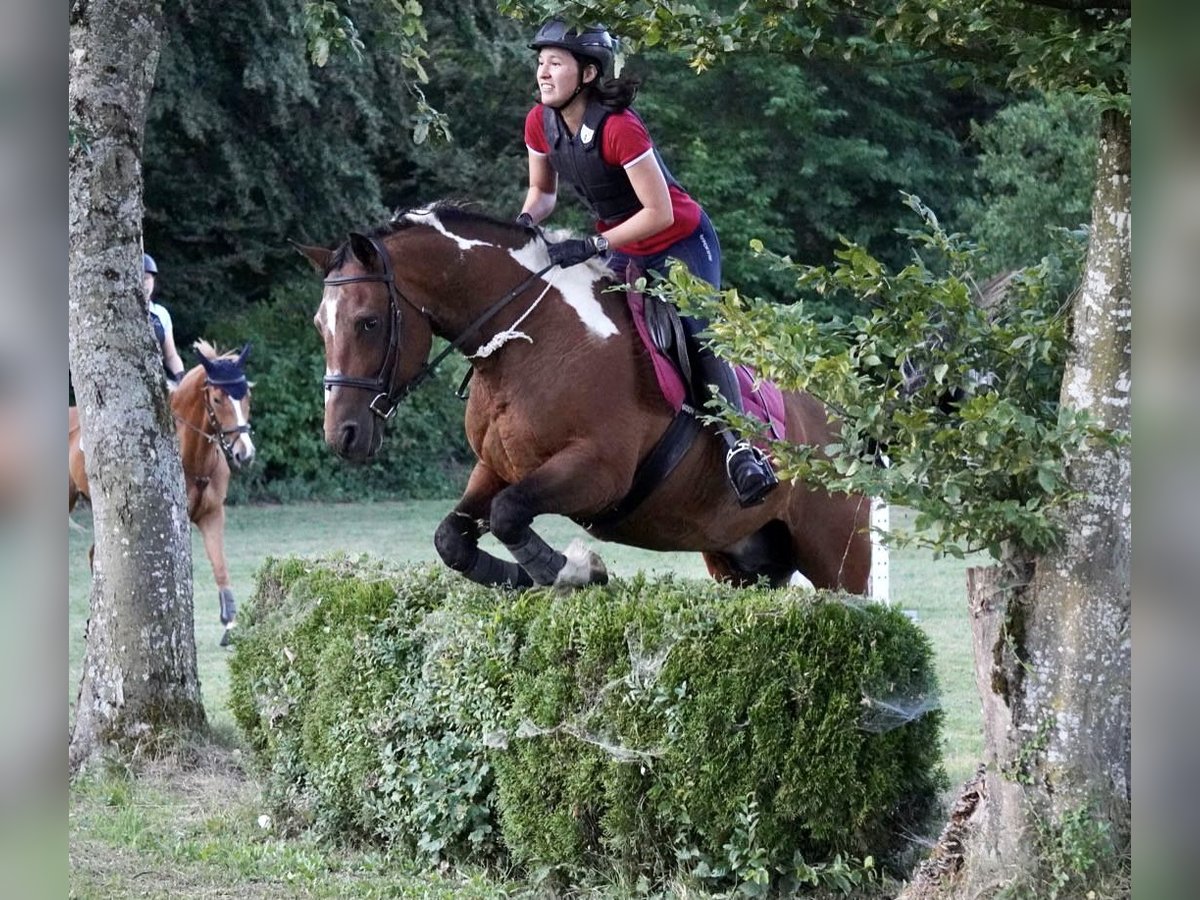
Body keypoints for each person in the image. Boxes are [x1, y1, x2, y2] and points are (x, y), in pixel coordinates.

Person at [517, 18, 777, 508]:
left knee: (693, 325)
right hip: (620, 241)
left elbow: (658, 213)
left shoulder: (619, 128)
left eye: (555, 63)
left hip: (677, 237)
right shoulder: (539, 122)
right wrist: (524, 222)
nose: (543, 73)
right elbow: (542, 193)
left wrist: (594, 248)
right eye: (540, 63)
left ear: (587, 74)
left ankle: (739, 449)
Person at [144, 252, 186, 387]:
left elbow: (170, 356)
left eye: (147, 278)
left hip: (155, 381)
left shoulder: (160, 313)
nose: (143, 283)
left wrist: (181, 378)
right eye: (139, 278)